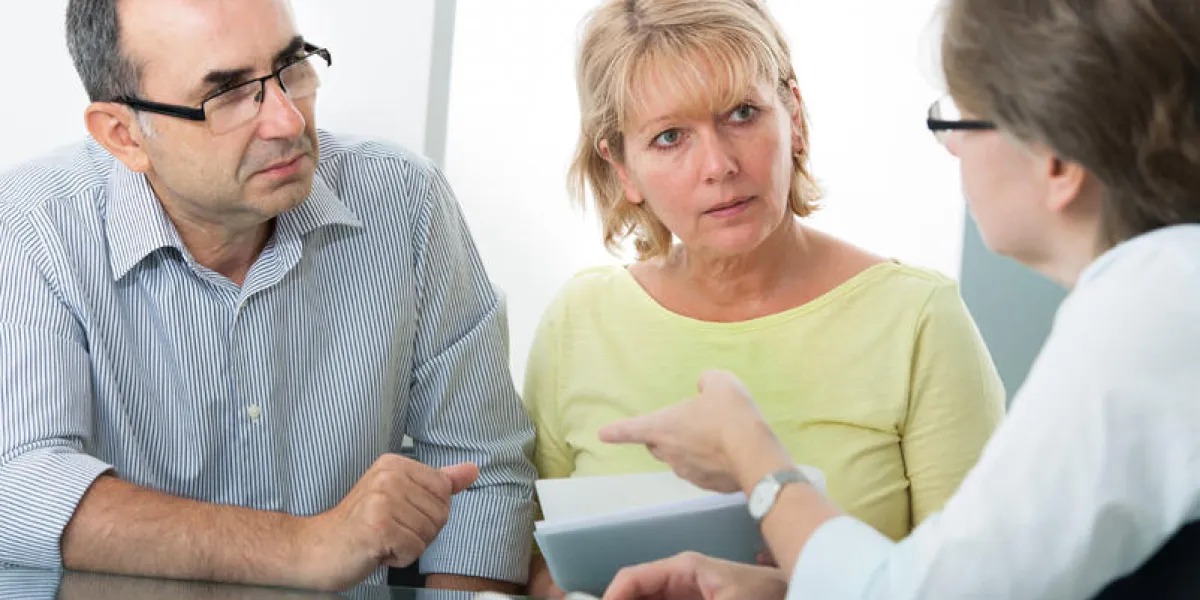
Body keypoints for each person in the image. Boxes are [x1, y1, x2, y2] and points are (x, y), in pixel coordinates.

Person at [597, 0, 1200, 597]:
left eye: (962, 120)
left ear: (1056, 162)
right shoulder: (1159, 293)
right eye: (670, 137)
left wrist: (749, 452)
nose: (952, 148)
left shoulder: (1148, 317)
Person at [0, 0, 535, 593]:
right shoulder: (32, 226)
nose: (288, 120)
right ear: (123, 135)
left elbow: (482, 470)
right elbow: (19, 487)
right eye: (227, 94)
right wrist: (305, 545)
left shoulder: (404, 199)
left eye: (292, 67)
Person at [524, 0, 1004, 594]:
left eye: (742, 114)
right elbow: (533, 565)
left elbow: (981, 586)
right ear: (622, 168)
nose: (719, 165)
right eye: (670, 137)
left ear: (793, 117)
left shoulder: (919, 320)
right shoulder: (578, 321)